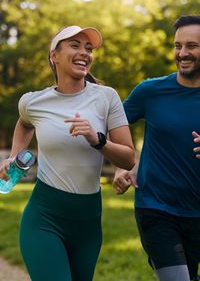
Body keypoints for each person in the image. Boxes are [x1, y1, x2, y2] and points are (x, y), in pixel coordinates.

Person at [0, 25, 135, 281]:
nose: (84, 52)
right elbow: (24, 123)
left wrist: (98, 140)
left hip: (88, 222)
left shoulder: (107, 98)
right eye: (75, 45)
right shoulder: (33, 101)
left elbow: (128, 157)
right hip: (44, 218)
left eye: (88, 48)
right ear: (54, 55)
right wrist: (14, 155)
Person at [113, 15, 200, 281]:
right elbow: (116, 127)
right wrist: (120, 166)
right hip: (157, 208)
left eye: (192, 46)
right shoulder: (149, 92)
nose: (182, 53)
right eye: (177, 46)